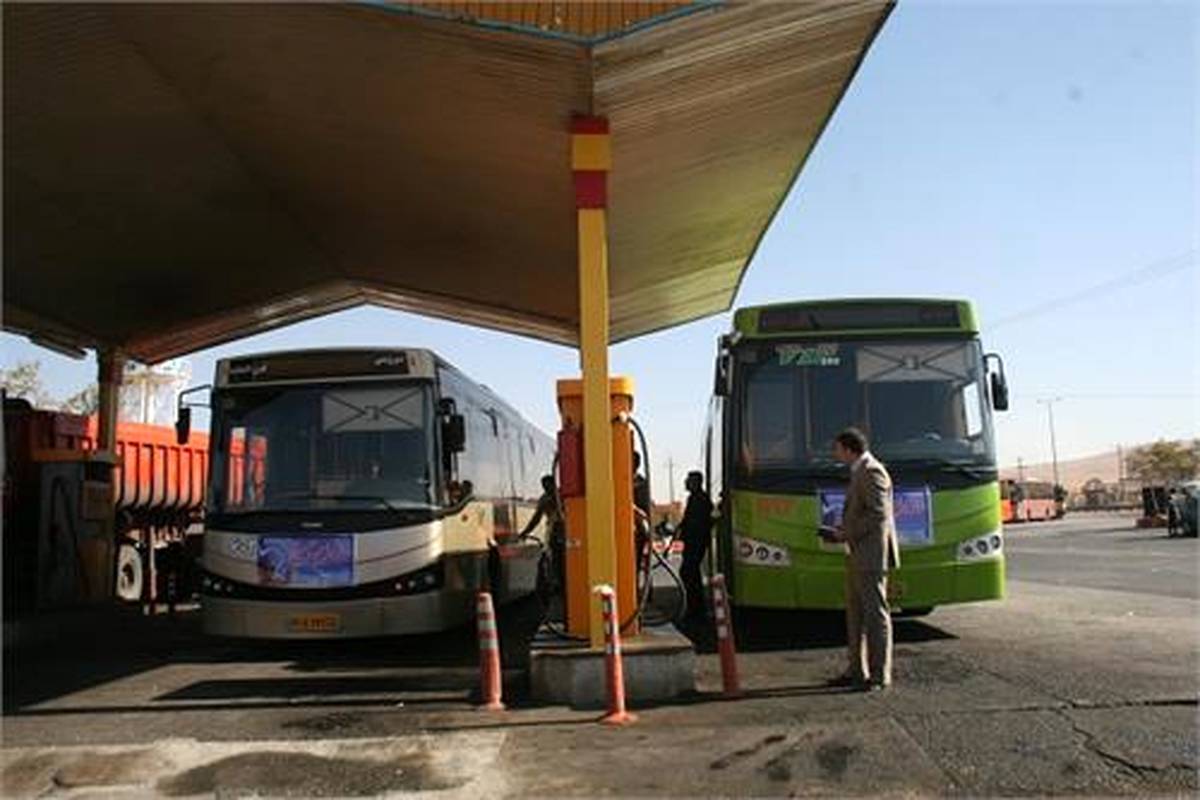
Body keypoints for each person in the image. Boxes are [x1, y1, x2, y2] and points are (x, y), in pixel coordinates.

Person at [822, 427, 900, 691]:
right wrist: (842, 531)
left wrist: (846, 533)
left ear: (848, 449)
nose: (835, 454)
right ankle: (856, 670)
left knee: (875, 615)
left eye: (837, 449)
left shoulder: (872, 471)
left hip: (871, 556)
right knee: (855, 616)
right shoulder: (859, 471)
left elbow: (878, 513)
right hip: (857, 553)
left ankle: (879, 675)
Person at [679, 471, 714, 623]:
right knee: (689, 573)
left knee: (689, 573)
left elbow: (700, 523)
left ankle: (696, 609)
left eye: (689, 480)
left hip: (696, 542)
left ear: (696, 483)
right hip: (693, 542)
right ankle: (695, 608)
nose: (686, 483)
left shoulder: (701, 499)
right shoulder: (694, 498)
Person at [520, 475, 565, 589]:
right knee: (554, 557)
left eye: (548, 486)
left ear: (554, 485)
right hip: (554, 531)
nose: (546, 489)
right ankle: (557, 582)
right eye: (544, 487)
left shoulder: (562, 495)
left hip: (566, 530)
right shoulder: (544, 499)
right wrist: (526, 531)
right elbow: (536, 518)